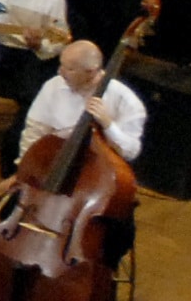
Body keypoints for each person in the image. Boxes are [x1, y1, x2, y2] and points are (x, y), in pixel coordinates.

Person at [8, 35, 147, 188]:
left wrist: (108, 124)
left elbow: (131, 151)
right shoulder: (53, 86)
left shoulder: (126, 101)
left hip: (95, 182)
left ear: (91, 71)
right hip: (50, 171)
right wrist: (25, 172)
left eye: (70, 69)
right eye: (61, 65)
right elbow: (34, 132)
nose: (60, 72)